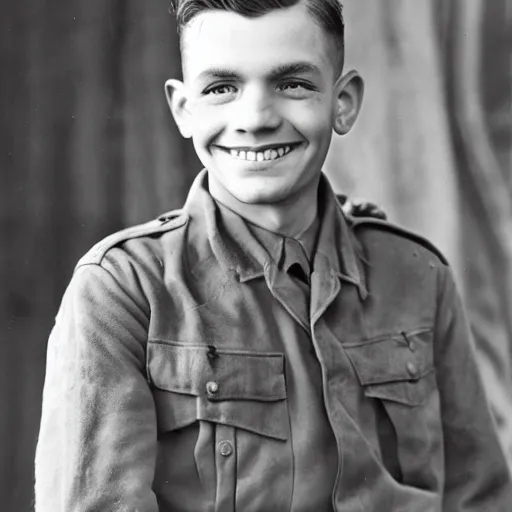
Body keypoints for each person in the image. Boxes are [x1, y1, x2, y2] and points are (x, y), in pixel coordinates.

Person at [34, 1, 512, 510]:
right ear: (183, 109)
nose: (256, 119)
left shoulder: (417, 276)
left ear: (343, 102)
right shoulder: (123, 291)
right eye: (222, 88)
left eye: (293, 84)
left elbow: (479, 496)